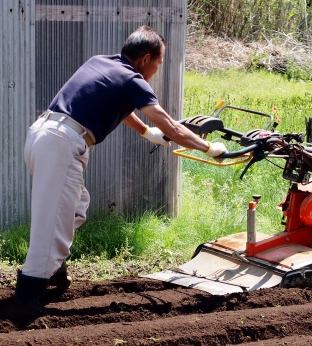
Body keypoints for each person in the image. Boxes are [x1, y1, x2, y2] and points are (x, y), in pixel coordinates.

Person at [14, 25, 227, 305]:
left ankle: (53, 269)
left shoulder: (100, 62)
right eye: (159, 64)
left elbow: (119, 105)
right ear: (146, 59)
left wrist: (145, 131)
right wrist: (209, 148)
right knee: (51, 221)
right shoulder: (132, 80)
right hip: (61, 145)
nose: (156, 71)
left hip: (43, 135)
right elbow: (173, 129)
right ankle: (26, 301)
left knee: (75, 206)